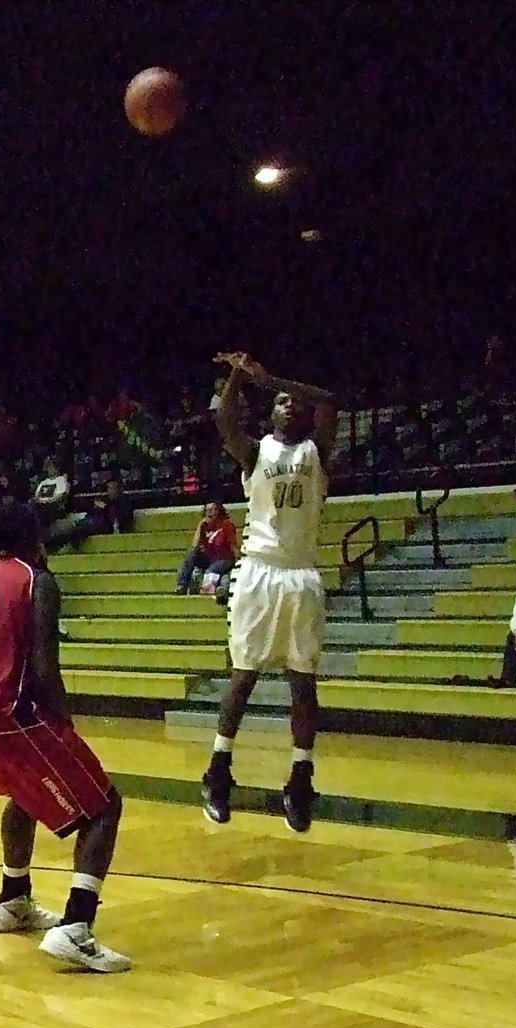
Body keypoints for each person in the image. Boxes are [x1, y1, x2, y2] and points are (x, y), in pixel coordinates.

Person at [0, 503, 131, 973]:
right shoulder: (35, 580)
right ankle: (77, 927)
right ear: (34, 539)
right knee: (103, 805)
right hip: (0, 715)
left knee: (24, 791)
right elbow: (42, 667)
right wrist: (65, 727)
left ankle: (12, 899)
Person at [200, 351, 337, 834]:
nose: (292, 407)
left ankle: (301, 777)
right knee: (245, 675)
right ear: (271, 411)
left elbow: (329, 400)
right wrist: (240, 376)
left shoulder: (317, 450)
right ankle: (218, 770)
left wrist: (272, 377)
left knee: (303, 682)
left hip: (301, 574)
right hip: (258, 571)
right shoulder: (256, 452)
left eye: (296, 403)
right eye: (281, 401)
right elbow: (222, 416)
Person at [176, 502, 238, 595]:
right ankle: (182, 584)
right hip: (209, 558)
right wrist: (200, 526)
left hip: (224, 558)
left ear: (218, 511)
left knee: (212, 570)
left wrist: (237, 559)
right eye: (207, 510)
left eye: (213, 509)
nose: (210, 512)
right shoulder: (205, 526)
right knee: (191, 552)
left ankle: (217, 590)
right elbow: (195, 546)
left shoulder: (226, 524)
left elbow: (233, 545)